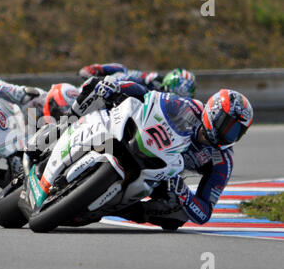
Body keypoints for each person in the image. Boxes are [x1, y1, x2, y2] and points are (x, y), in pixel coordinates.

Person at [66, 76, 253, 228]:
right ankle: (64, 125)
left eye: (237, 132)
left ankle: (114, 209)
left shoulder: (222, 161)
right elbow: (149, 95)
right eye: (227, 125)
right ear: (214, 112)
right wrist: (117, 86)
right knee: (96, 87)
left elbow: (204, 213)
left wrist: (184, 194)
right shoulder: (190, 107)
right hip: (143, 139)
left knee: (176, 219)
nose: (228, 135)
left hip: (164, 175)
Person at [78, 63, 197, 98]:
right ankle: (97, 69)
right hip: (108, 93)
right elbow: (125, 75)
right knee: (122, 71)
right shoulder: (151, 78)